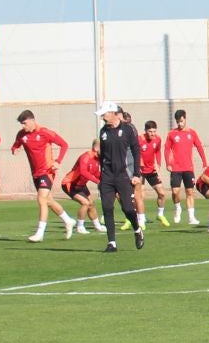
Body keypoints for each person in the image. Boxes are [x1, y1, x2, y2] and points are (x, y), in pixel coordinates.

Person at [10, 111, 73, 241]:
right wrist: (14, 149)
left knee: (41, 199)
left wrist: (58, 161)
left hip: (47, 171)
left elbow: (64, 144)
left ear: (32, 120)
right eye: (21, 124)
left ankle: (40, 233)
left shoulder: (45, 132)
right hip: (35, 173)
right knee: (48, 201)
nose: (23, 126)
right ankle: (68, 220)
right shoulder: (22, 135)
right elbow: (15, 145)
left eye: (25, 123)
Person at [94, 102, 145, 253]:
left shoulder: (128, 129)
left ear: (113, 113)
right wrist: (102, 173)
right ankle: (112, 243)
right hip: (107, 176)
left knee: (128, 208)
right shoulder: (103, 131)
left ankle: (137, 229)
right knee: (107, 207)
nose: (102, 117)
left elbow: (136, 151)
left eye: (104, 114)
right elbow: (102, 155)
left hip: (123, 175)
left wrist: (136, 174)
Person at [164, 109, 208, 225]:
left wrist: (204, 161)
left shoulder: (192, 133)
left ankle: (191, 217)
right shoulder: (172, 134)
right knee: (175, 192)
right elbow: (167, 149)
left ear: (185, 119)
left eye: (181, 121)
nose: (180, 124)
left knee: (189, 192)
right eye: (178, 122)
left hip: (188, 168)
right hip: (176, 168)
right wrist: (168, 163)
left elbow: (199, 146)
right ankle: (178, 208)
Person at [59, 147, 103, 235]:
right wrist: (98, 182)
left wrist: (105, 180)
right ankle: (80, 226)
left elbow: (95, 173)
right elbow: (83, 172)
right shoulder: (85, 157)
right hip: (70, 184)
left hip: (81, 185)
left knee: (91, 204)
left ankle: (98, 226)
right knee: (85, 203)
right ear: (96, 148)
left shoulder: (98, 160)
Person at [136, 119, 170, 225]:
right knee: (140, 196)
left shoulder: (158, 139)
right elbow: (134, 152)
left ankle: (160, 215)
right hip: (140, 171)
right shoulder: (139, 139)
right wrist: (139, 161)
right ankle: (141, 218)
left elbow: (158, 151)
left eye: (154, 131)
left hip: (151, 170)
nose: (153, 134)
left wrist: (158, 164)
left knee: (162, 193)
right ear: (145, 131)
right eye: (150, 131)